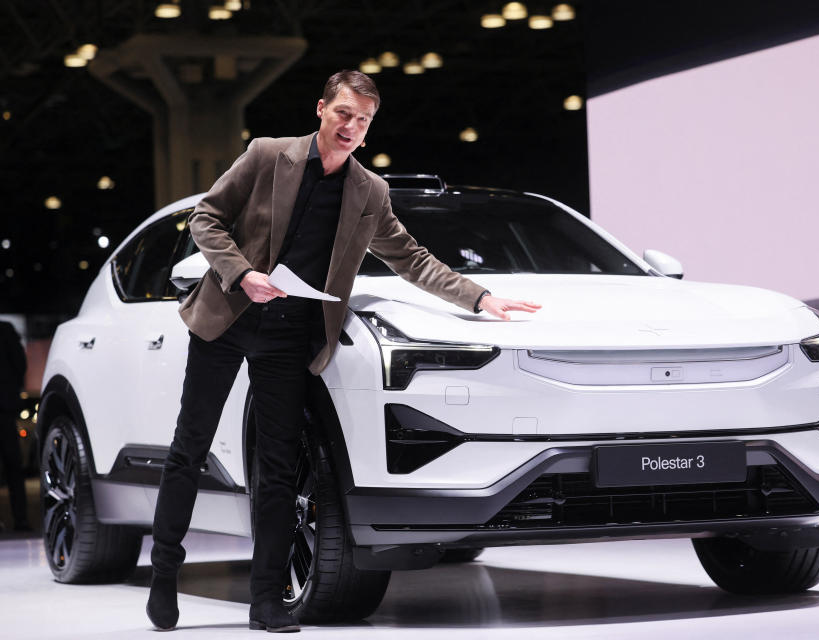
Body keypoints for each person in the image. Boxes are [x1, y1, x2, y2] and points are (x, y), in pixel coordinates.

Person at [146, 70, 540, 632]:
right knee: (190, 448)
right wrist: (242, 274)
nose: (352, 128)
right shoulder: (267, 156)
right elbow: (207, 218)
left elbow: (413, 259)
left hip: (290, 332)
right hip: (229, 315)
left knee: (278, 468)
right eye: (344, 115)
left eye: (363, 120)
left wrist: (481, 298)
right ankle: (164, 574)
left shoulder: (368, 191)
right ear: (321, 110)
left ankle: (266, 600)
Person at [0, 320, 29, 533]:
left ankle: (20, 519)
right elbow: (20, 364)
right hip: (4, 406)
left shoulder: (6, 329)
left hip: (5, 406)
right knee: (13, 467)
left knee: (13, 466)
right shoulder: (6, 330)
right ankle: (21, 519)